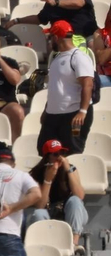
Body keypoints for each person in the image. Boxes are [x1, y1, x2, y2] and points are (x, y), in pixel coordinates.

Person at [40, 19, 96, 155]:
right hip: (53, 115)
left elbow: (87, 84)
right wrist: (46, 110)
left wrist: (82, 111)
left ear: (56, 37)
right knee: (45, 151)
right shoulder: (57, 58)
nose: (49, 41)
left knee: (71, 152)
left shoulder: (78, 57)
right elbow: (56, 88)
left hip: (73, 114)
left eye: (50, 37)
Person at [27, 139, 89, 250]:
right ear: (47, 157)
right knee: (38, 213)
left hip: (70, 210)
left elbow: (80, 196)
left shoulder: (71, 168)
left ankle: (74, 243)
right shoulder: (36, 174)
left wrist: (68, 171)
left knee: (75, 200)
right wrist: (48, 180)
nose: (60, 157)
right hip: (49, 210)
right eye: (56, 154)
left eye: (62, 153)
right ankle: (44, 247)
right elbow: (40, 205)